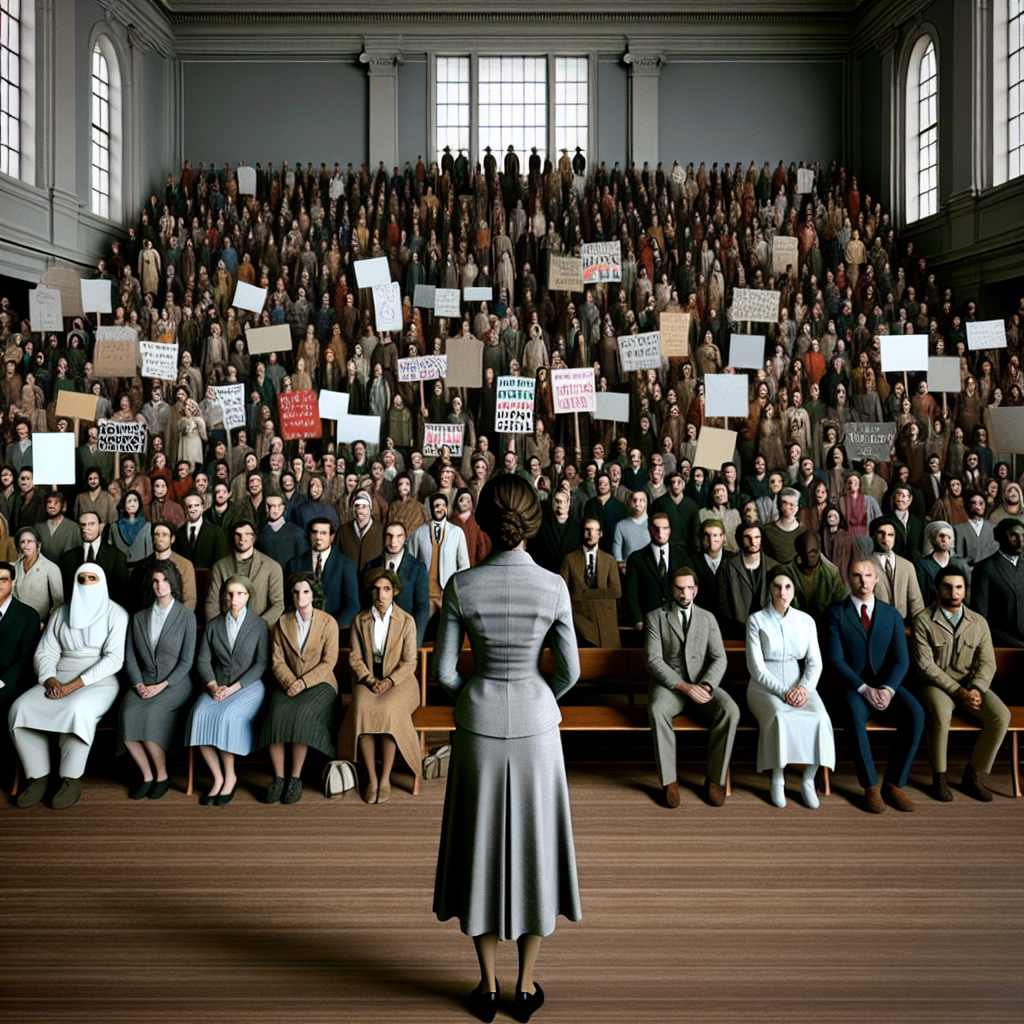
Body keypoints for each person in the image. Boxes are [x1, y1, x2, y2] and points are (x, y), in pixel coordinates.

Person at [433, 475, 581, 1022]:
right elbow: (571, 671)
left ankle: (487, 987)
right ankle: (525, 987)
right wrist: (537, 693)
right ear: (533, 521)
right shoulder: (553, 587)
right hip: (538, 727)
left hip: (479, 725)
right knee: (535, 848)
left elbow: (446, 672)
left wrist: (478, 694)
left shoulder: (462, 585)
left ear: (486, 525)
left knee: (479, 850)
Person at [8, 564, 129, 809]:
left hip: (99, 681)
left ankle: (70, 779)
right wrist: (49, 679)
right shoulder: (61, 614)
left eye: (92, 578)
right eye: (81, 578)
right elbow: (46, 651)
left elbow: (114, 659)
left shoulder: (117, 614)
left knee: (77, 712)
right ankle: (38, 776)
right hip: (58, 676)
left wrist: (73, 686)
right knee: (20, 709)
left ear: (102, 581)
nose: (85, 583)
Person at [826, 558, 924, 813]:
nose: (864, 581)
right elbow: (835, 660)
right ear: (849, 579)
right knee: (852, 715)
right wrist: (863, 688)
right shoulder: (835, 612)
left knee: (916, 714)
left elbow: (901, 661)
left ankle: (893, 784)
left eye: (868, 575)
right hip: (853, 687)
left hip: (885, 686)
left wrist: (889, 689)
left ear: (876, 579)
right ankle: (870, 786)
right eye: (857, 576)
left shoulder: (892, 615)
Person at [910, 567, 1008, 802]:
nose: (953, 593)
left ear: (965, 591)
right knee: (941, 714)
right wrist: (958, 691)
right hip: (936, 685)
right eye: (947, 586)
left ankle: (973, 774)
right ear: (937, 588)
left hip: (970, 684)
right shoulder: (923, 620)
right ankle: (940, 777)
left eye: (959, 587)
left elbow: (987, 663)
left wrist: (976, 689)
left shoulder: (978, 622)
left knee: (1001, 716)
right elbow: (925, 666)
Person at [644, 566, 737, 808]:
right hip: (671, 687)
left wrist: (706, 685)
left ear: (695, 589)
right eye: (679, 588)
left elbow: (720, 658)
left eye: (689, 588)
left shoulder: (707, 618)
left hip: (702, 685)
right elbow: (654, 660)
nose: (684, 594)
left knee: (731, 710)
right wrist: (684, 687)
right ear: (672, 589)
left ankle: (715, 779)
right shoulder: (656, 617)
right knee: (657, 710)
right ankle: (669, 782)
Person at [745, 566, 834, 809]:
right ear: (770, 590)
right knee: (780, 717)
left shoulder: (806, 621)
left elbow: (815, 662)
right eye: (777, 586)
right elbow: (757, 668)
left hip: (800, 683)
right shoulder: (756, 620)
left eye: (787, 587)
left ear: (793, 590)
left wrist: (804, 688)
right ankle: (778, 778)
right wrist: (783, 692)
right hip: (765, 687)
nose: (782, 592)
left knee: (820, 717)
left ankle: (807, 779)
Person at [186, 575, 270, 805]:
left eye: (240, 594)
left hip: (247, 686)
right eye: (231, 594)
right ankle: (218, 777)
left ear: (249, 596)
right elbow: (202, 661)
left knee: (227, 717)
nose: (235, 598)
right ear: (224, 596)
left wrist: (233, 689)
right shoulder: (213, 625)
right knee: (198, 716)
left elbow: (261, 663)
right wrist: (213, 686)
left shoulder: (259, 625)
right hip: (217, 685)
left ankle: (231, 776)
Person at [118, 561, 197, 800]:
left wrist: (161, 686)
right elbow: (130, 658)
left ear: (172, 582)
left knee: (151, 717)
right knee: (127, 715)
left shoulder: (186, 617)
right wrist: (139, 684)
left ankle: (162, 775)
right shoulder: (139, 617)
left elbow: (186, 662)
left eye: (164, 580)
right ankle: (147, 775)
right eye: (155, 581)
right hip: (143, 682)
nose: (160, 586)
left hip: (175, 684)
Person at [340, 568, 420, 803]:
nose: (381, 594)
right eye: (376, 589)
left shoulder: (406, 621)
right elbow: (354, 657)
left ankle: (385, 779)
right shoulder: (360, 619)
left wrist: (389, 681)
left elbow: (409, 661)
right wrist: (369, 679)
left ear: (394, 591)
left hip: (400, 681)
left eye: (386, 589)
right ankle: (372, 779)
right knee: (363, 710)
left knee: (388, 713)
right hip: (369, 679)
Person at [259, 573, 340, 805]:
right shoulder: (282, 622)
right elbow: (277, 660)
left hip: (320, 684)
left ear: (314, 594)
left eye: (305, 591)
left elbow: (329, 662)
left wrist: (303, 683)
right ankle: (279, 777)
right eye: (296, 592)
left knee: (301, 715)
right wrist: (289, 681)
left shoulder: (328, 622)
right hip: (287, 682)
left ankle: (295, 777)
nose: (300, 596)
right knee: (275, 714)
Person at [363, 522, 431, 647]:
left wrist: (414, 640)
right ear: (384, 539)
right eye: (389, 536)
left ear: (405, 538)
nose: (393, 541)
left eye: (399, 536)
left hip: (405, 634)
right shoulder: (370, 567)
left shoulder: (417, 568)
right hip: (376, 636)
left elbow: (422, 608)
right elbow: (365, 604)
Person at [206, 521, 285, 626]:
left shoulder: (272, 567)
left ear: (254, 537)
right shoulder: (220, 567)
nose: (242, 539)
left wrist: (258, 627)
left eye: (247, 534)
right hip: (226, 626)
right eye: (237, 534)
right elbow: (212, 603)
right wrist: (218, 629)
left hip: (259, 629)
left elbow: (278, 605)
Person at [559, 518, 621, 648]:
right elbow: (562, 592)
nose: (590, 534)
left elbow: (616, 591)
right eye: (587, 530)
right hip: (579, 618)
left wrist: (584, 594)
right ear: (582, 532)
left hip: (605, 620)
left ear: (600, 534)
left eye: (594, 530)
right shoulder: (569, 559)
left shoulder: (609, 560)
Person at [0, 562, 41, 755]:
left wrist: (1, 682)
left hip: (11, 682)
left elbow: (25, 658)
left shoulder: (28, 615)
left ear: (13, 582)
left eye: (3, 579)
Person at [408, 492, 471, 619]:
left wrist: (455, 590)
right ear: (431, 508)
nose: (440, 508)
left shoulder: (457, 533)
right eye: (436, 505)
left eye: (443, 505)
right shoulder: (418, 533)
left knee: (448, 628)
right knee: (422, 629)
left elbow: (464, 566)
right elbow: (410, 563)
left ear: (447, 508)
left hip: (446, 593)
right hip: (425, 592)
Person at [717, 523, 778, 640]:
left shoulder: (773, 566)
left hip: (768, 631)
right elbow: (722, 601)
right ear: (741, 539)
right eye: (747, 537)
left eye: (757, 537)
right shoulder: (728, 566)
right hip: (736, 631)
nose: (753, 541)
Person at [970, 518, 1024, 647]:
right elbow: (980, 618)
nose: (1020, 541)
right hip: (1002, 646)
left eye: (1023, 535)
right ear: (999, 537)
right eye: (1013, 535)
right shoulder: (985, 568)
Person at [625, 511, 683, 630]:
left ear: (670, 530)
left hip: (677, 619)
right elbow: (631, 593)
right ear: (650, 529)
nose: (661, 534)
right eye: (656, 529)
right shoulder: (636, 558)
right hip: (648, 621)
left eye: (665, 528)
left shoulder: (682, 555)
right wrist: (638, 620)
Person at [58, 510, 129, 601]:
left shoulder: (117, 557)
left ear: (100, 526)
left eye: (91, 524)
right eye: (83, 525)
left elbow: (122, 593)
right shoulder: (67, 559)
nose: (87, 528)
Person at [868, 516, 924, 624]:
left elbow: (916, 603)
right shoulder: (866, 566)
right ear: (873, 535)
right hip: (876, 625)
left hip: (902, 625)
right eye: (881, 533)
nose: (886, 538)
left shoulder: (907, 566)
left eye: (890, 535)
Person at [13, 527, 64, 625]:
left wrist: (47, 622)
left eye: (29, 541)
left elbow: (58, 601)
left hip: (39, 623)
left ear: (38, 544)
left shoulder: (50, 567)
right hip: (18, 620)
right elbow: (13, 593)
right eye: (22, 542)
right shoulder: (16, 566)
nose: (25, 545)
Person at [174, 492, 229, 569]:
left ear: (202, 507)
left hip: (209, 578)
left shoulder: (216, 532)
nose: (193, 509)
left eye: (196, 505)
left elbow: (222, 562)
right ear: (185, 509)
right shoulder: (178, 534)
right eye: (189, 506)